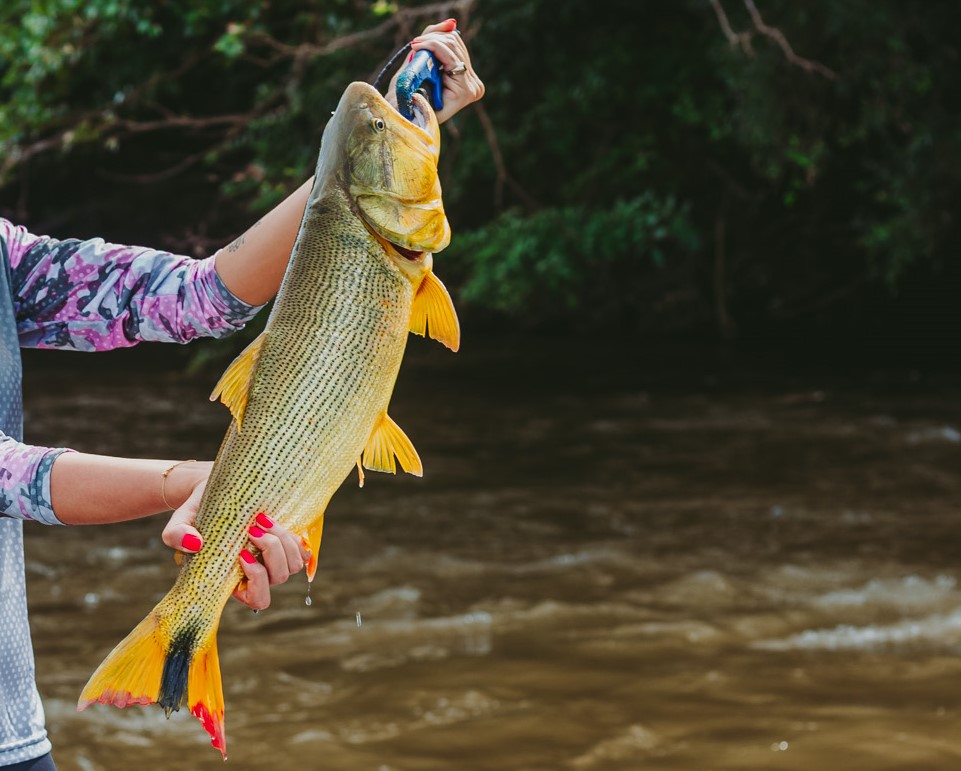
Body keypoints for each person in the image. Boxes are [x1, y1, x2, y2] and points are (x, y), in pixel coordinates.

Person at [0, 20, 483, 770]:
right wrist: (203, 488)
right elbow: (8, 476)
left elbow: (201, 295)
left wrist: (365, 149)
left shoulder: (7, 257)